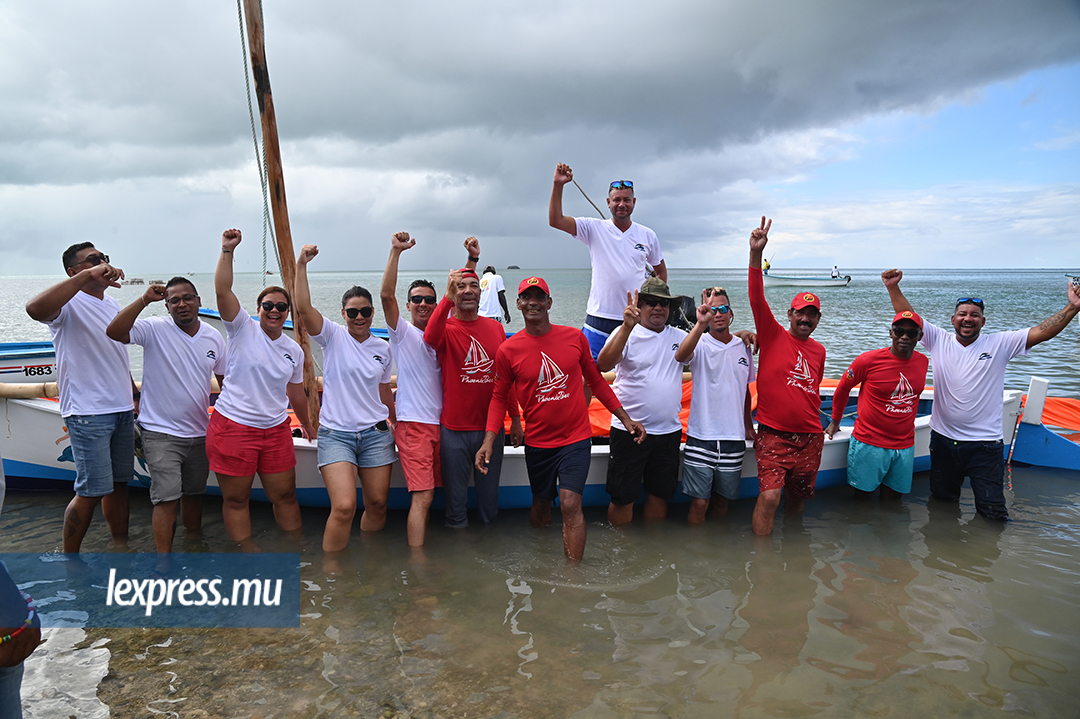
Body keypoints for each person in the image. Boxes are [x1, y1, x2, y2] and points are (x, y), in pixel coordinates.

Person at [883, 270, 1080, 519]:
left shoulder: (1000, 343)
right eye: (963, 314)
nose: (968, 319)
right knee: (942, 505)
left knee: (993, 512)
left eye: (974, 315)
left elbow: (1042, 331)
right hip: (943, 441)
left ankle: (985, 555)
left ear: (983, 322)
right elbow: (908, 318)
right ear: (953, 319)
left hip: (985, 446)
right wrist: (892, 288)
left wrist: (1073, 308)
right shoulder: (938, 340)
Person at [475, 277, 646, 560]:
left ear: (549, 303)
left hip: (575, 439)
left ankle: (572, 579)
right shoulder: (508, 350)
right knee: (541, 506)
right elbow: (498, 397)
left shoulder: (574, 338)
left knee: (570, 503)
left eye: (540, 297)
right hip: (539, 443)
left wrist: (625, 419)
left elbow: (597, 381)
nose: (533, 302)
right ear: (518, 304)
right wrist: (488, 440)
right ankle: (539, 556)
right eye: (527, 297)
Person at [25, 243, 135, 553]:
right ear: (74, 272)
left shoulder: (111, 303)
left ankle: (120, 546)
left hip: (121, 407)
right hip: (88, 411)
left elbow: (117, 354)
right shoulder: (68, 304)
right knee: (90, 490)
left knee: (119, 485)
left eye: (104, 258)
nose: (102, 263)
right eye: (93, 260)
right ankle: (69, 557)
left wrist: (134, 393)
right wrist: (85, 277)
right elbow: (34, 309)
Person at [208, 229, 313, 549]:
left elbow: (296, 393)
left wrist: (309, 424)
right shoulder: (241, 329)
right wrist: (227, 250)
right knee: (237, 499)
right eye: (269, 305)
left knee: (285, 496)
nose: (275, 310)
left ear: (288, 313)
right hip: (234, 427)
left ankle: (296, 553)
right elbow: (223, 289)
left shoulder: (294, 350)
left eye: (282, 307)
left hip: (275, 430)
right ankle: (248, 557)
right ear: (258, 308)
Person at [106, 278, 227, 553]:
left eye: (187, 298)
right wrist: (143, 300)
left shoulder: (213, 336)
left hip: (199, 431)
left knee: (195, 496)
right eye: (174, 300)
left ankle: (194, 547)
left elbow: (225, 381)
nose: (182, 304)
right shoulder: (154, 328)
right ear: (167, 306)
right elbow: (114, 331)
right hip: (160, 433)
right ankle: (164, 564)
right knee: (166, 500)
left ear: (199, 301)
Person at [295, 245, 396, 552]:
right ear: (343, 314)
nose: (359, 317)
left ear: (372, 313)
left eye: (365, 311)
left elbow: (382, 390)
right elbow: (302, 307)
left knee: (378, 504)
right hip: (336, 434)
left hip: (376, 433)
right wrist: (302, 265)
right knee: (343, 507)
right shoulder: (333, 336)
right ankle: (333, 575)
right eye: (353, 312)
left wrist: (397, 419)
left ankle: (368, 559)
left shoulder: (383, 348)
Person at [425, 265, 523, 528]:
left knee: (489, 504)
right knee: (455, 506)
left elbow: (505, 380)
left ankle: (487, 554)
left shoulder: (495, 329)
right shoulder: (445, 328)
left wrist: (514, 417)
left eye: (473, 286)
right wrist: (446, 296)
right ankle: (461, 557)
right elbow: (429, 336)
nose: (468, 291)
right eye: (461, 287)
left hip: (490, 430)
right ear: (453, 293)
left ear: (481, 293)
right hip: (453, 431)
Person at [747, 217, 826, 536]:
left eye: (812, 314)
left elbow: (812, 388)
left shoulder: (819, 351)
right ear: (789, 315)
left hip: (810, 436)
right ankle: (764, 569)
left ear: (817, 319)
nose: (805, 318)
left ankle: (795, 558)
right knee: (769, 497)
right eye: (800, 313)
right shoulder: (772, 333)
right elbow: (756, 297)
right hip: (773, 434)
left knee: (798, 500)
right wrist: (755, 254)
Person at [549, 163, 667, 359]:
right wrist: (558, 184)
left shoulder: (648, 235)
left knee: (634, 375)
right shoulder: (593, 228)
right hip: (599, 319)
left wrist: (652, 304)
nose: (622, 204)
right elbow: (556, 220)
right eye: (617, 200)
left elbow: (661, 273)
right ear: (608, 202)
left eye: (626, 200)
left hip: (635, 320)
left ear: (634, 202)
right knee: (588, 375)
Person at [597, 277, 687, 525]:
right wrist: (626, 327)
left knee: (660, 497)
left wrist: (741, 334)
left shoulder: (680, 336)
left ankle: (651, 554)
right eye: (650, 302)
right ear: (639, 304)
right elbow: (603, 365)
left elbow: (713, 345)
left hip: (668, 432)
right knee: (622, 498)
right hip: (628, 431)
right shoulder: (624, 332)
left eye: (664, 303)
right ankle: (620, 554)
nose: (658, 308)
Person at [380, 232, 445, 548]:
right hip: (415, 425)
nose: (422, 304)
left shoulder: (445, 335)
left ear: (437, 305)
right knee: (424, 495)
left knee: (433, 495)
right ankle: (417, 566)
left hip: (443, 427)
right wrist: (396, 251)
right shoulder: (403, 334)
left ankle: (428, 550)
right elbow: (385, 295)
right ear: (408, 305)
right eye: (416, 299)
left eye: (429, 300)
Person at [824, 311, 929, 499]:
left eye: (911, 333)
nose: (905, 337)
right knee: (863, 501)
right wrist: (835, 421)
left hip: (905, 445)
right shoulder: (868, 360)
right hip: (870, 443)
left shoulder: (923, 362)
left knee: (894, 501)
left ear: (920, 337)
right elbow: (842, 389)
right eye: (899, 331)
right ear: (891, 333)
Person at [675, 286, 756, 523]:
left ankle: (718, 554)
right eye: (713, 310)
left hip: (733, 437)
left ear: (731, 314)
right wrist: (700, 324)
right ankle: (696, 551)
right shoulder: (699, 343)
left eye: (723, 309)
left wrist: (748, 425)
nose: (718, 314)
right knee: (699, 502)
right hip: (702, 436)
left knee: (722, 501)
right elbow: (680, 357)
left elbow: (745, 391)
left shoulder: (744, 346)